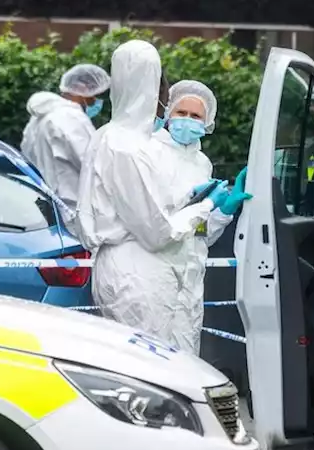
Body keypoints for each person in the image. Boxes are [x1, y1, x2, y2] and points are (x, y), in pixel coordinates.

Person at [79, 41, 215, 342]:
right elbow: (156, 232)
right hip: (139, 274)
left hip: (123, 268)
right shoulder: (127, 146)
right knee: (153, 368)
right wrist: (204, 207)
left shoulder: (107, 136)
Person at [138, 80, 251, 353]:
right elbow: (153, 221)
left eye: (196, 115)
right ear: (167, 114)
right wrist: (191, 201)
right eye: (181, 113)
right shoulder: (149, 152)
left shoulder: (202, 163)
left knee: (186, 360)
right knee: (150, 358)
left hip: (191, 280)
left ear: (208, 121)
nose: (187, 121)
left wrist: (224, 211)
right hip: (156, 272)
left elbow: (202, 235)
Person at [20, 63, 110, 210]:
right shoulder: (71, 118)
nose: (97, 101)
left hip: (41, 207)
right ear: (81, 89)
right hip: (71, 208)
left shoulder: (37, 120)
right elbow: (91, 164)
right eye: (95, 95)